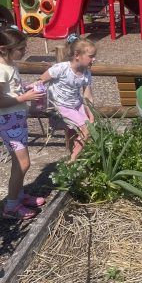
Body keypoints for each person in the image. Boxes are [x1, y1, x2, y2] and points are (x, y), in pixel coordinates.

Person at [0, 28, 46, 219]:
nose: (24, 51)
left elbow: (11, 91)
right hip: (9, 122)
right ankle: (10, 206)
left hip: (16, 121)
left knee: (20, 163)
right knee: (23, 164)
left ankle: (18, 196)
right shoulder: (1, 70)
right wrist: (24, 98)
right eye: (20, 48)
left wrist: (25, 88)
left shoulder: (10, 65)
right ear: (4, 49)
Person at [38, 34, 96, 162]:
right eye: (91, 56)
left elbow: (87, 95)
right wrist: (35, 94)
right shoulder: (62, 68)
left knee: (73, 133)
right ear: (77, 55)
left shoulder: (86, 73)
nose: (94, 59)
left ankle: (73, 156)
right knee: (86, 130)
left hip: (76, 104)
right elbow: (41, 80)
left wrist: (91, 113)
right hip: (61, 104)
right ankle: (73, 159)